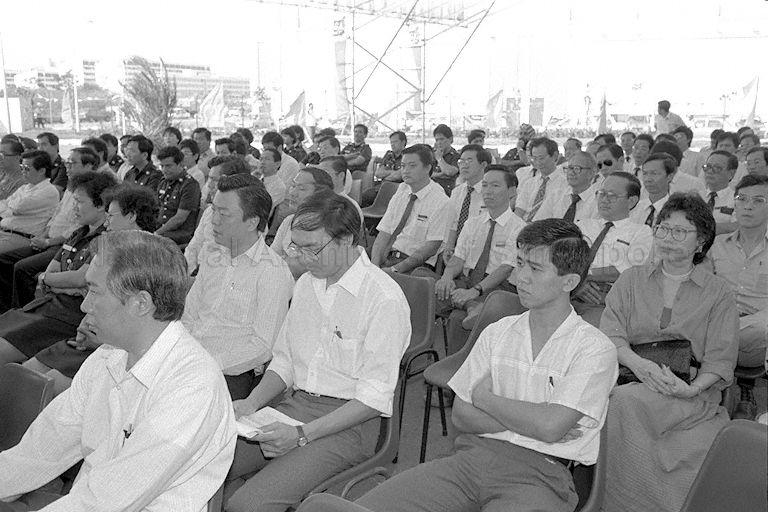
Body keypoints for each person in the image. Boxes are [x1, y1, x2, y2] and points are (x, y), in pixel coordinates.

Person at [357, 218, 618, 512]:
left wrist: (486, 399)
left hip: (541, 476)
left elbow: (549, 427)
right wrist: (536, 419)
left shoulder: (594, 349)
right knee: (368, 508)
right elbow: (463, 416)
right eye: (519, 264)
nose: (520, 278)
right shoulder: (498, 332)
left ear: (569, 281)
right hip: (471, 459)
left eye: (535, 268)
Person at [0, 231, 236, 511]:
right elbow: (41, 450)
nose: (85, 305)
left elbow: (106, 501)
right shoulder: (108, 356)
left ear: (140, 303)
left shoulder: (192, 387)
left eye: (95, 292)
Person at [224, 193, 411, 512]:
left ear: (347, 240)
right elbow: (284, 361)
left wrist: (300, 435)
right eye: (296, 246)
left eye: (312, 248)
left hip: (350, 423)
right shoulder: (308, 284)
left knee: (247, 505)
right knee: (202, 464)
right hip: (295, 406)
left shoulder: (383, 299)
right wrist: (252, 403)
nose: (301, 258)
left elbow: (372, 400)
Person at [600, 193, 737, 512]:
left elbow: (720, 358)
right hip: (631, 378)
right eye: (662, 228)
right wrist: (639, 365)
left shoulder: (719, 294)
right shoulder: (632, 279)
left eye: (680, 232)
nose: (667, 238)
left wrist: (691, 388)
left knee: (686, 451)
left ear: (701, 242)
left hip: (690, 392)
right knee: (623, 403)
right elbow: (612, 333)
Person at [21, 184, 159, 395]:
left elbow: (144, 323)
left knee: (40, 388)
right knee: (24, 373)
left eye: (111, 216)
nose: (106, 222)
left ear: (131, 216)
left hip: (117, 347)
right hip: (90, 334)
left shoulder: (154, 255)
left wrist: (99, 338)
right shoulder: (109, 246)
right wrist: (85, 326)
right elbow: (88, 288)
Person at [184, 173, 293, 400]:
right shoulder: (213, 258)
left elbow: (263, 345)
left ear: (252, 221)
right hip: (190, 359)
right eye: (213, 210)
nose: (214, 220)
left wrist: (208, 363)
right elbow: (189, 314)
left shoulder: (271, 271)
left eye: (224, 214)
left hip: (231, 374)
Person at [0, 172, 117, 366]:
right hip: (47, 305)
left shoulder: (105, 240)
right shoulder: (79, 234)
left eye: (79, 202)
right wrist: (57, 282)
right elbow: (51, 271)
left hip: (67, 316)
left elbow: (81, 279)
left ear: (100, 204)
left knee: (4, 350)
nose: (74, 207)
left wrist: (51, 281)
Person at [426, 165, 523, 354]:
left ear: (512, 192)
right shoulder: (473, 223)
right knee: (425, 283)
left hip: (497, 286)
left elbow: (505, 269)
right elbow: (458, 257)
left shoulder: (519, 228)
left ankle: (469, 306)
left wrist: (474, 291)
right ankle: (472, 308)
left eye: (495, 186)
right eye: (485, 185)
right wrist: (446, 276)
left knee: (462, 313)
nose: (487, 191)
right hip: (468, 280)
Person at [0, 148, 102, 310]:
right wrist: (44, 236)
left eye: (73, 163)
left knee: (23, 268)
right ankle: (8, 308)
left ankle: (27, 309)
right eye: (67, 163)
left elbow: (77, 230)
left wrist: (47, 243)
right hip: (48, 240)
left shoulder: (92, 193)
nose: (68, 167)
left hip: (60, 243)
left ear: (89, 166)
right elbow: (55, 217)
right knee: (6, 259)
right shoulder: (71, 188)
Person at [709, 174, 768, 420]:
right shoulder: (716, 245)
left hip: (756, 336)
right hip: (716, 326)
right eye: (741, 199)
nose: (748, 206)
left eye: (758, 200)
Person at [574, 172, 653, 316]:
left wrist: (583, 277)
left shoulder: (641, 232)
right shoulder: (583, 226)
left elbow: (626, 270)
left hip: (604, 299)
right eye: (601, 193)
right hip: (570, 290)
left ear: (631, 201)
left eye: (612, 196)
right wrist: (577, 284)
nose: (604, 200)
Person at [370, 144, 449, 273]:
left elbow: (430, 248)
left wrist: (394, 270)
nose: (405, 171)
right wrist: (374, 266)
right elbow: (385, 231)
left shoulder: (441, 201)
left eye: (412, 166)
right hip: (388, 254)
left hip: (413, 265)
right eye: (403, 166)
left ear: (427, 168)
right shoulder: (402, 189)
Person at [184, 156, 251, 273]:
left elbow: (231, 265)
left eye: (214, 179)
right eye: (209, 179)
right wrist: (189, 273)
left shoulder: (248, 219)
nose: (209, 185)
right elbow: (193, 247)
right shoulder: (210, 211)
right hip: (195, 274)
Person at [272, 169, 335, 278]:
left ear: (320, 194)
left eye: (301, 188)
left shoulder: (329, 227)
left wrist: (284, 261)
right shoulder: (289, 221)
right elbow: (272, 257)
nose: (292, 193)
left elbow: (302, 268)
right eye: (293, 186)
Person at [440, 145, 492, 264]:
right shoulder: (457, 192)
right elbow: (454, 224)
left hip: (479, 252)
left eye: (469, 160)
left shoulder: (490, 193)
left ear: (483, 165)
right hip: (456, 251)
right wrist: (449, 247)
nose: (464, 165)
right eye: (461, 161)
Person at [0, 150, 59, 240]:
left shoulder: (49, 191)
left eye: (26, 168)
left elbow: (18, 207)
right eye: (21, 167)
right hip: (5, 232)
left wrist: (9, 206)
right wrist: (9, 207)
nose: (23, 171)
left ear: (42, 171)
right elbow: (3, 204)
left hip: (21, 237)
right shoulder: (24, 187)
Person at [535, 150, 599, 222]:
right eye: (570, 168)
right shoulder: (556, 195)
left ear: (592, 173)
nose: (571, 173)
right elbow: (538, 224)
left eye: (577, 168)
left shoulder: (597, 202)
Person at [154, 146, 201, 244]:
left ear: (180, 164)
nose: (164, 170)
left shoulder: (190, 185)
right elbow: (156, 208)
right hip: (161, 231)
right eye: (162, 166)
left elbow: (180, 218)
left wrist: (156, 233)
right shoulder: (164, 182)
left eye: (168, 166)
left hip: (179, 234)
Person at [514, 137, 568, 222]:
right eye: (534, 158)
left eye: (541, 158)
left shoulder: (566, 184)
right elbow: (519, 211)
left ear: (555, 156)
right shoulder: (529, 183)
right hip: (523, 227)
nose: (538, 162)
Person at [361, 130, 407, 207]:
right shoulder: (389, 154)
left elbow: (398, 176)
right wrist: (394, 172)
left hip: (397, 189)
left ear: (403, 142)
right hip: (381, 187)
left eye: (395, 142)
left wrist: (387, 172)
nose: (392, 144)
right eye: (391, 142)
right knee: (363, 196)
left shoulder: (408, 156)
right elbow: (378, 173)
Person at [630, 152, 674, 226]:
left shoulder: (675, 211)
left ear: (669, 176)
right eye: (645, 173)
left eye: (654, 173)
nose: (648, 179)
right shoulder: (634, 208)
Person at [699, 150, 738, 234]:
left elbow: (737, 227)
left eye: (717, 168)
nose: (710, 171)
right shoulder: (697, 197)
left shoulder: (737, 200)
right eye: (707, 166)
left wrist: (701, 228)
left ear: (731, 173)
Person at [317, 156, 364, 221]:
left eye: (325, 172)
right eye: (318, 173)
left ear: (341, 176)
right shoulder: (316, 199)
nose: (319, 177)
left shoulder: (348, 208)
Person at [430, 124, 460, 195]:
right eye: (437, 140)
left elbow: (449, 172)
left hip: (446, 192)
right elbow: (425, 173)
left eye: (442, 139)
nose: (439, 142)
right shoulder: (431, 153)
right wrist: (441, 174)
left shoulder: (456, 156)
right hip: (431, 191)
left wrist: (439, 158)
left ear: (450, 139)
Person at [258, 147, 288, 214]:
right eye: (261, 159)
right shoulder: (256, 179)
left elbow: (264, 207)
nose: (262, 162)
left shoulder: (279, 187)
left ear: (277, 164)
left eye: (267, 159)